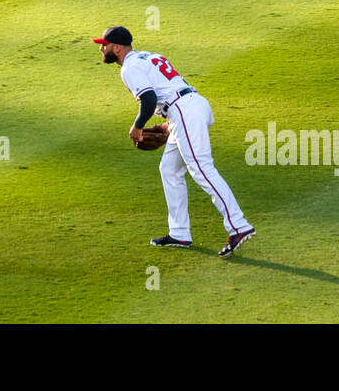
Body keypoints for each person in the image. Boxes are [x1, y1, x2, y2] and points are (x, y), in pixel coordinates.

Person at [94, 26, 255, 258]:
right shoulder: (149, 56)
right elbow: (169, 91)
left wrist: (137, 127)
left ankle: (239, 226)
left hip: (185, 112)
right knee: (169, 169)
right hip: (190, 106)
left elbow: (148, 98)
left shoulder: (129, 67)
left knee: (202, 169)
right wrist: (169, 124)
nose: (102, 48)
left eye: (105, 44)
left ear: (117, 48)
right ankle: (179, 233)